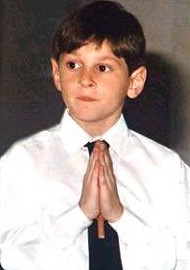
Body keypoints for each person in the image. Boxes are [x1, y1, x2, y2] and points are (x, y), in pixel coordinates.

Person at [0, 1, 189, 270]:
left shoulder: (167, 170)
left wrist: (120, 217)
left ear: (134, 82)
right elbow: (12, 258)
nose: (85, 79)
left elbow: (181, 258)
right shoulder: (22, 164)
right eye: (73, 64)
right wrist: (78, 215)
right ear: (56, 74)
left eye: (102, 68)